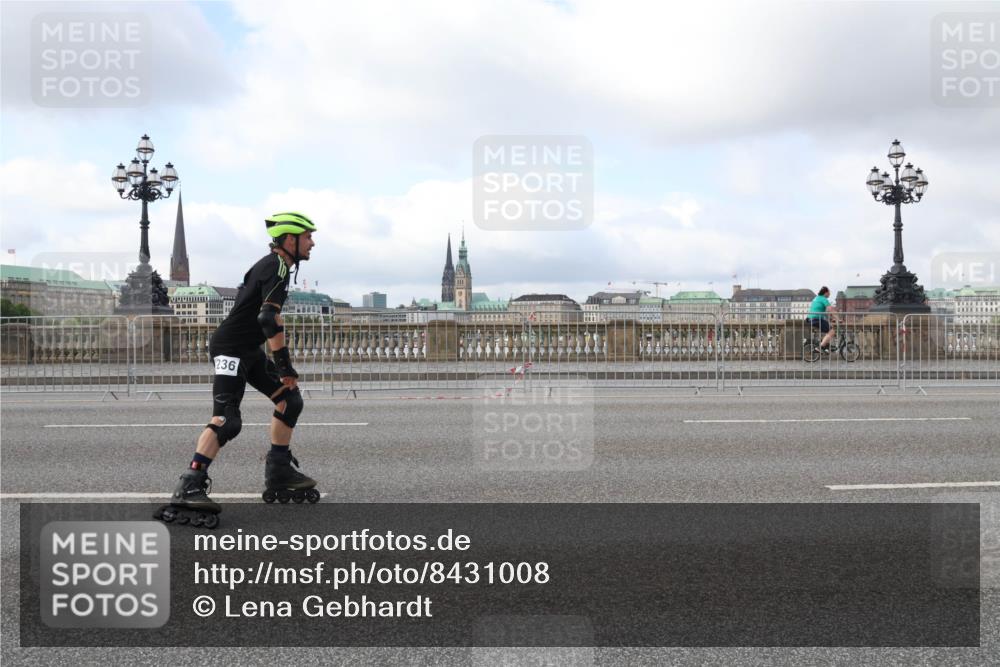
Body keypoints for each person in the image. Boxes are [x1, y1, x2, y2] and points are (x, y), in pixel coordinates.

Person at [156, 212, 319, 527]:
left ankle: (279, 470)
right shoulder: (276, 266)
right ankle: (189, 483)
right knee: (227, 420)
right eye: (308, 236)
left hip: (248, 349)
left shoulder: (278, 266)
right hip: (231, 348)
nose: (312, 242)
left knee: (290, 400)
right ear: (291, 239)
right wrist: (284, 365)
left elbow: (265, 318)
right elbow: (268, 319)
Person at [806, 286, 835, 352]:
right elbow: (831, 310)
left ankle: (825, 346)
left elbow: (824, 311)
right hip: (816, 319)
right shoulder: (823, 299)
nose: (830, 294)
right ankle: (820, 347)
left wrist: (831, 318)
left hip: (810, 319)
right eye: (829, 292)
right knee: (832, 332)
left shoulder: (816, 298)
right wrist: (838, 318)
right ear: (826, 292)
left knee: (829, 328)